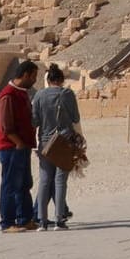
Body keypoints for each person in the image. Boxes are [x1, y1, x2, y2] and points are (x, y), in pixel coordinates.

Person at [31, 64, 82, 230]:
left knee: (45, 180)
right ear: (61, 80)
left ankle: (42, 220)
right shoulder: (67, 94)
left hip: (45, 142)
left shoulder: (39, 95)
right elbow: (75, 118)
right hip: (64, 142)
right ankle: (59, 219)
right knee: (60, 181)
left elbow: (34, 121)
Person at [0, 60, 39, 232]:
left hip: (22, 146)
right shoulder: (8, 94)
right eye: (34, 76)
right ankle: (7, 222)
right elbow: (5, 125)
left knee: (24, 183)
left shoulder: (21, 93)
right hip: (11, 147)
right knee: (10, 184)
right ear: (25, 74)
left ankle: (25, 219)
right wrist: (19, 142)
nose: (35, 80)